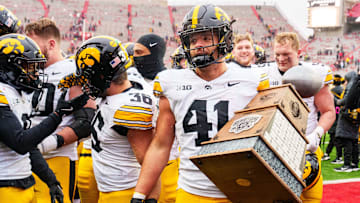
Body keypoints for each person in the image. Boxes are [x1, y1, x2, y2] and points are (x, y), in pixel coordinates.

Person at [132, 4, 269, 202]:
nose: (197, 45)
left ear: (224, 39)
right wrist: (139, 193)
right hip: (192, 192)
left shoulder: (253, 80)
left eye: (206, 38)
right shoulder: (171, 83)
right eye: (192, 39)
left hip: (243, 191)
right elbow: (161, 145)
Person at [0, 33, 86, 203]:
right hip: (5, 186)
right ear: (8, 67)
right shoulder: (2, 93)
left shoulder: (17, 93)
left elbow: (30, 147)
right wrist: (58, 115)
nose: (35, 74)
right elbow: (21, 143)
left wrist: (50, 180)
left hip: (23, 183)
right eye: (28, 67)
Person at [73, 36, 159, 202]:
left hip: (125, 193)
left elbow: (150, 164)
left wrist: (149, 199)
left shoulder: (129, 106)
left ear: (101, 76)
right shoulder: (110, 97)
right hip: (108, 191)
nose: (87, 83)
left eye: (89, 77)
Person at [25, 18, 96, 203]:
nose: (28, 51)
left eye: (33, 45)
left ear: (51, 43)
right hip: (23, 159)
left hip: (57, 158)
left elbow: (86, 122)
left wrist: (47, 144)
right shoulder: (26, 71)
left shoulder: (73, 71)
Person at [261, 32, 335, 203]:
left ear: (299, 52)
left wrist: (316, 134)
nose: (281, 59)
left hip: (306, 149)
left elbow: (328, 111)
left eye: (286, 54)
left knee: (310, 199)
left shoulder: (316, 74)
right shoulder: (264, 74)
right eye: (277, 54)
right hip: (275, 150)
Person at [133, 34, 179, 203]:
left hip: (167, 162)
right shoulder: (130, 81)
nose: (135, 57)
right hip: (133, 166)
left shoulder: (171, 82)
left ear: (154, 53)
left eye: (140, 52)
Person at [334, 71, 360, 172]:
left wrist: (337, 101)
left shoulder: (352, 85)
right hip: (356, 115)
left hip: (348, 115)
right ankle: (354, 163)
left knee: (347, 140)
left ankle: (347, 164)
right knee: (354, 141)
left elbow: (347, 100)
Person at [322, 74, 344, 162]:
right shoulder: (343, 90)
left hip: (333, 117)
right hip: (341, 117)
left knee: (335, 137)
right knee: (334, 137)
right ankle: (328, 152)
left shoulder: (331, 91)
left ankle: (339, 156)